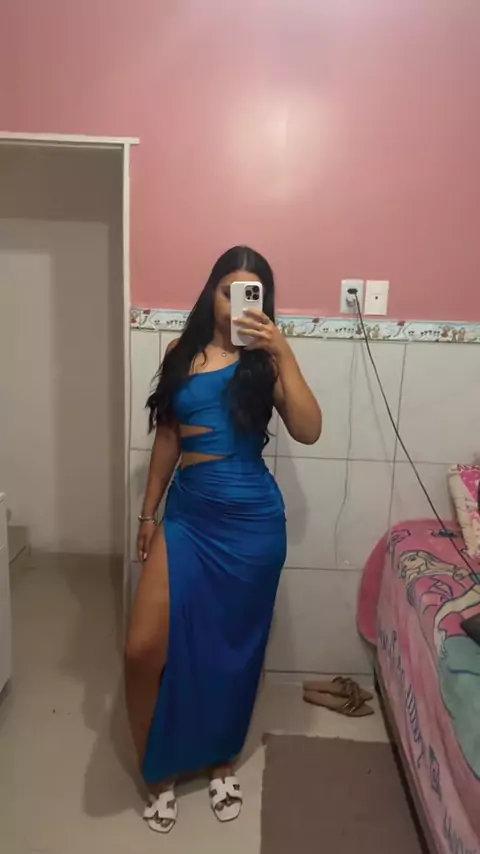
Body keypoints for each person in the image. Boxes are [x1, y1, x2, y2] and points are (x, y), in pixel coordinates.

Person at [125, 246, 322, 832]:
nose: (235, 302)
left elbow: (309, 430)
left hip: (253, 523)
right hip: (189, 516)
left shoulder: (266, 362)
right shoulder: (179, 353)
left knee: (233, 652)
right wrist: (148, 513)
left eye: (249, 292)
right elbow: (169, 437)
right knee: (143, 649)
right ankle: (157, 770)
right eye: (227, 289)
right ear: (210, 292)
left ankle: (220, 760)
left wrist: (282, 350)